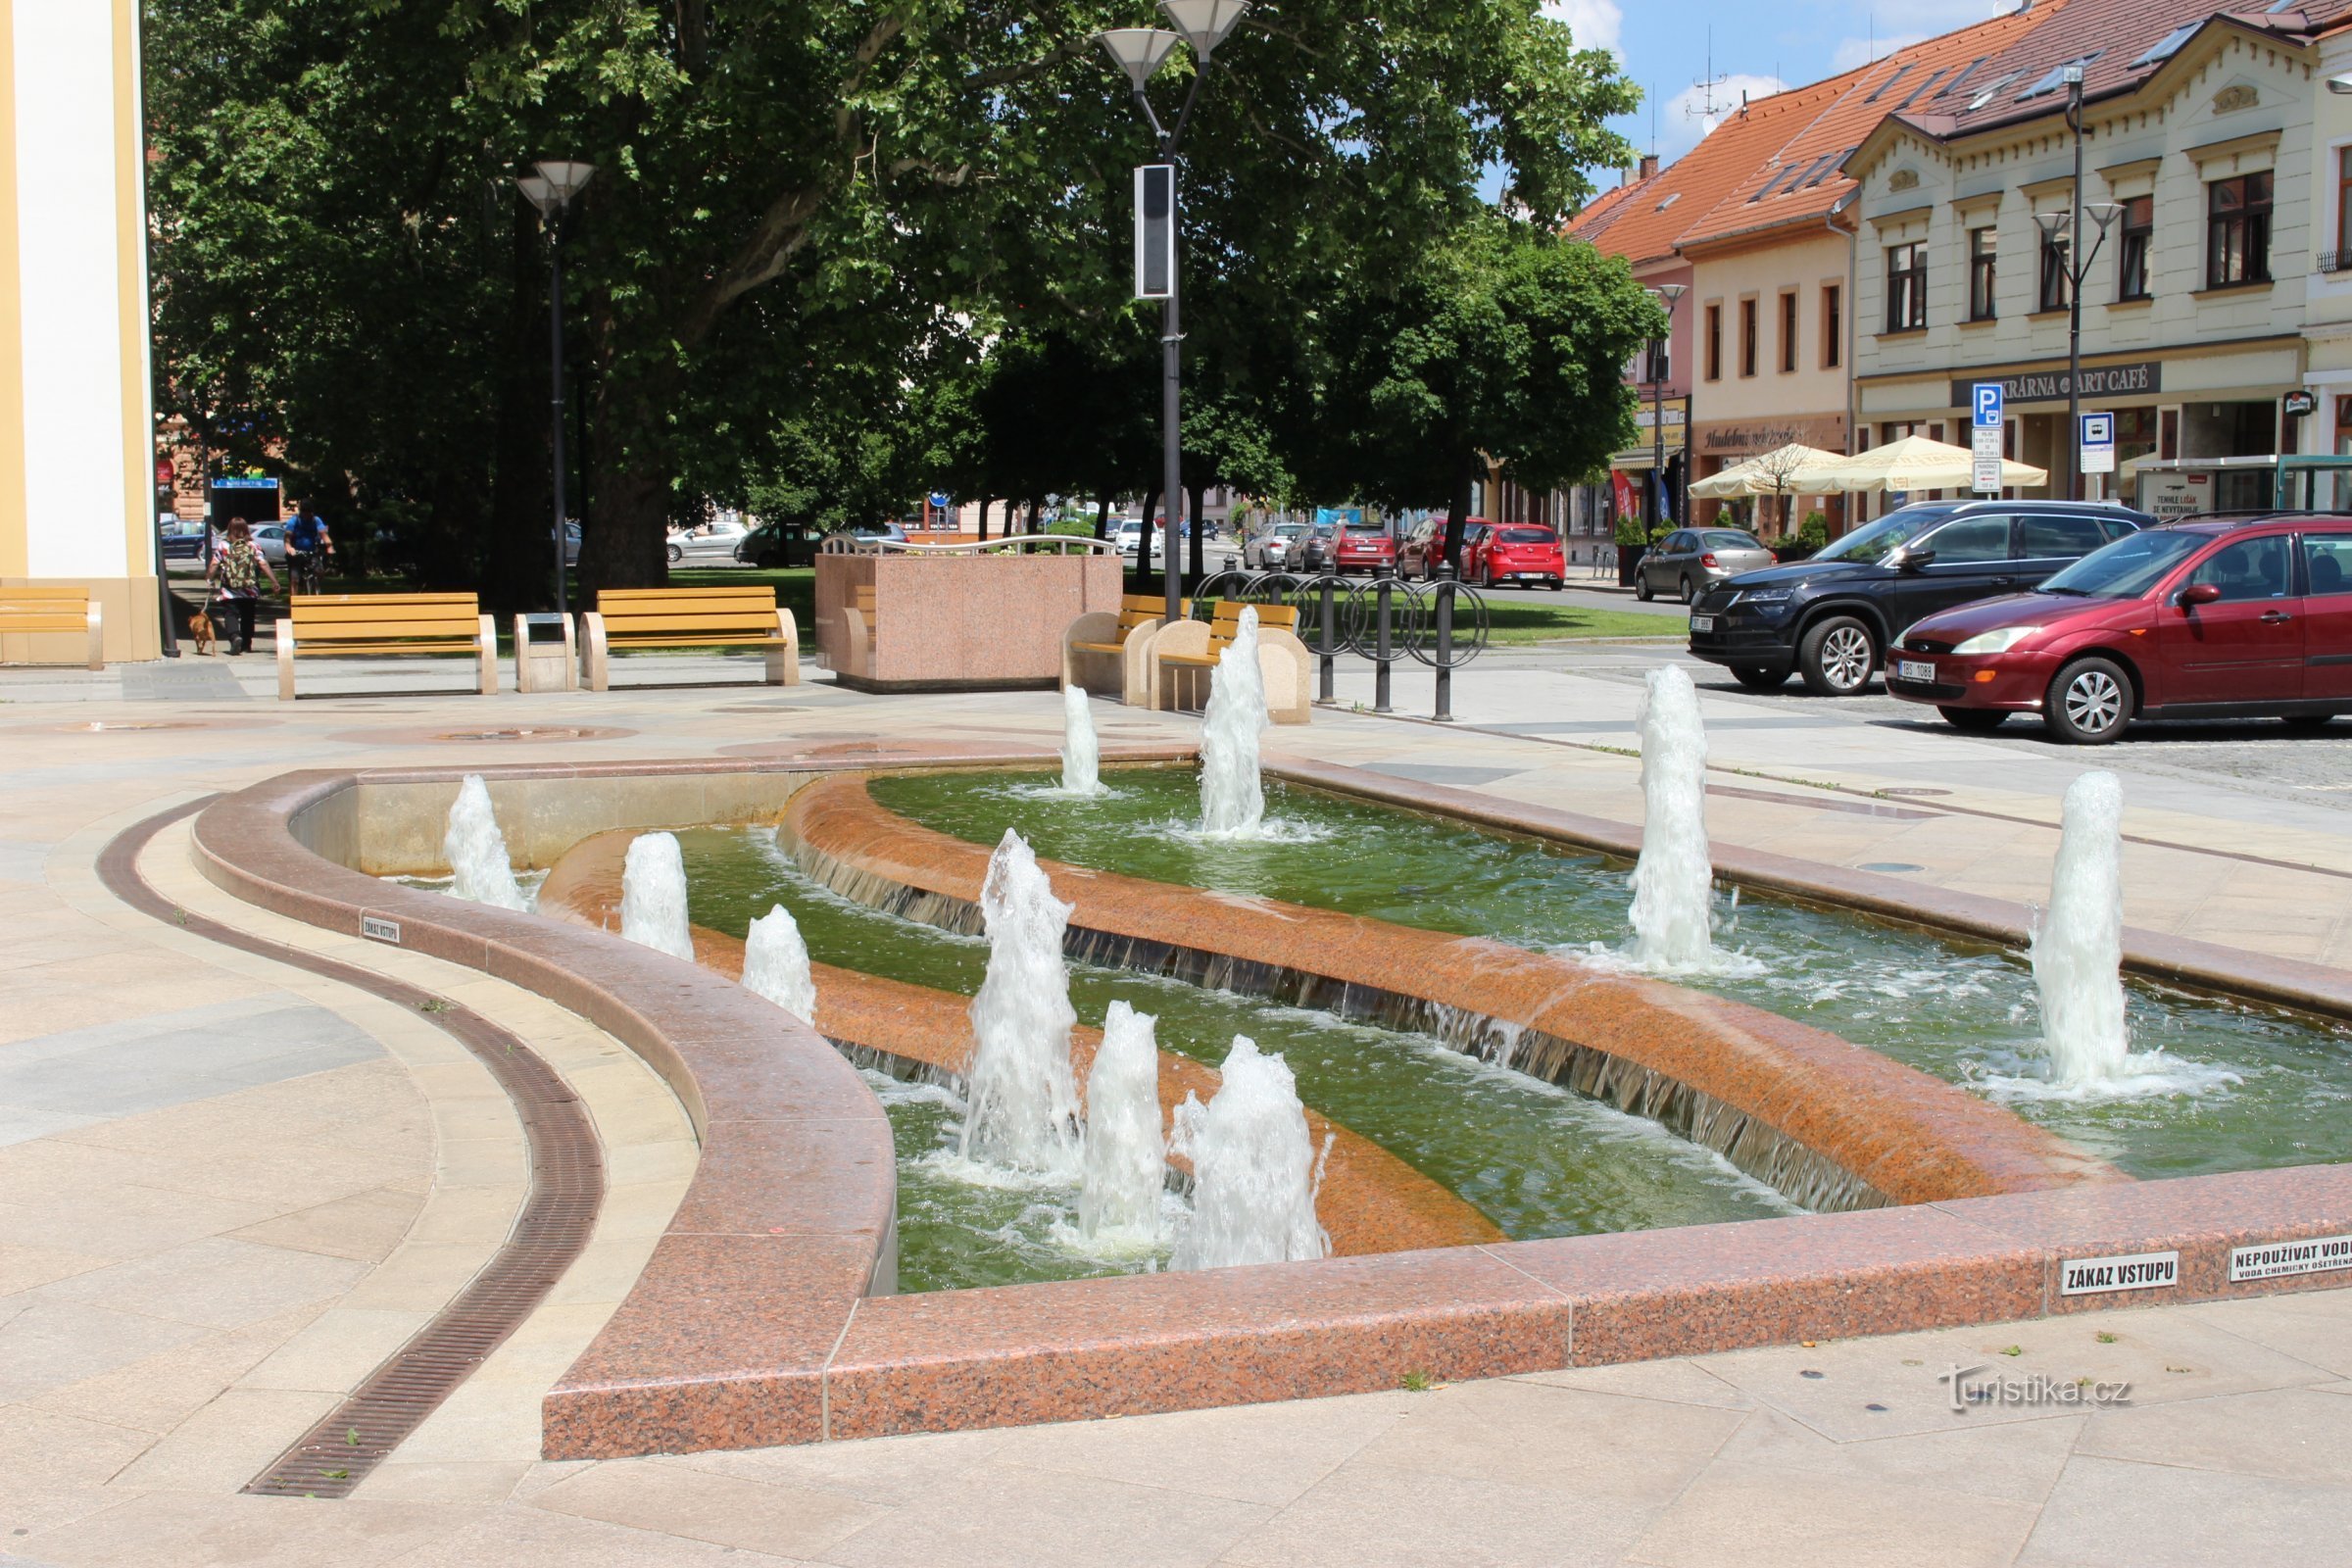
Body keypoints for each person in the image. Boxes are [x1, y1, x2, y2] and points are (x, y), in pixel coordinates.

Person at [207, 517, 279, 655]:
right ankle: (246, 644)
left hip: (229, 589)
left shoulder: (224, 545)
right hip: (250, 589)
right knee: (248, 615)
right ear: (246, 529)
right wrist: (274, 581)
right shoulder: (253, 545)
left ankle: (235, 637)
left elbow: (214, 564)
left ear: (229, 529)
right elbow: (263, 563)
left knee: (230, 613)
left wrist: (209, 579)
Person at [284, 500, 332, 593]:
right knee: (294, 579)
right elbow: (287, 537)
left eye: (309, 512)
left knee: (319, 571)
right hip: (296, 552)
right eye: (304, 512)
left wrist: (329, 546)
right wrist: (289, 548)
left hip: (311, 551)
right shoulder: (294, 520)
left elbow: (324, 535)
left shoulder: (316, 520)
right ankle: (294, 602)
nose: (307, 515)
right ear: (301, 511)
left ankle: (314, 587)